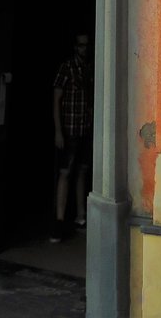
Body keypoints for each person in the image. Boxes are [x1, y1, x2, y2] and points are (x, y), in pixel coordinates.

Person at [50, 32, 92, 242]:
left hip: (84, 127)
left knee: (82, 170)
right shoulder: (67, 68)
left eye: (86, 45)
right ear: (75, 47)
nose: (83, 49)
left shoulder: (88, 68)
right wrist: (58, 130)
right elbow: (56, 98)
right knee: (65, 171)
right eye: (81, 45)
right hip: (69, 128)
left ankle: (80, 216)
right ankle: (58, 220)